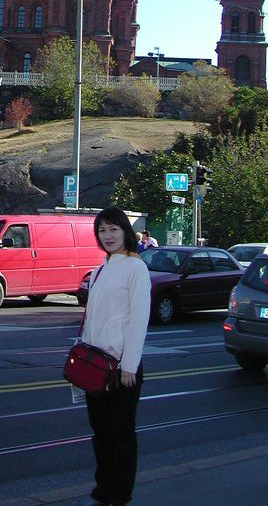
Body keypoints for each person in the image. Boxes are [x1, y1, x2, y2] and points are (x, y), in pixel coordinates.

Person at [80, 206, 151, 506]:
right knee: (100, 432)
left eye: (113, 229)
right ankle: (103, 488)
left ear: (125, 231)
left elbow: (139, 319)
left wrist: (130, 365)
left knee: (121, 434)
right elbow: (92, 318)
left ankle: (120, 494)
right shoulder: (100, 268)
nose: (107, 236)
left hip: (123, 367)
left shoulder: (136, 268)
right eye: (102, 230)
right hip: (96, 365)